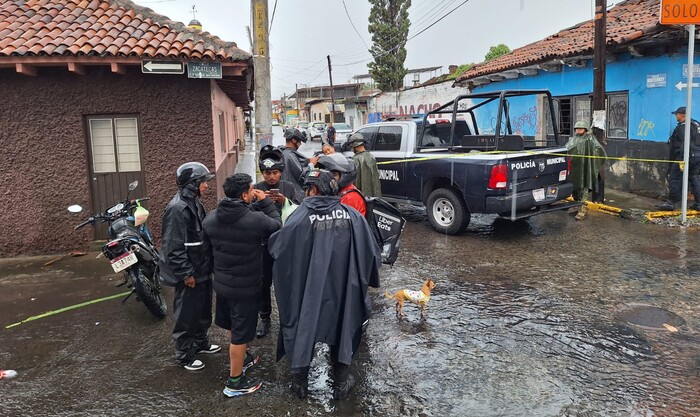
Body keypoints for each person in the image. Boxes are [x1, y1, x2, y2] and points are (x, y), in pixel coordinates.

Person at [269, 169, 381, 400]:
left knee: (303, 327)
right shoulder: (352, 216)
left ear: (314, 190)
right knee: (343, 327)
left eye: (307, 189)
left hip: (307, 291)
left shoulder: (298, 218)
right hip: (344, 289)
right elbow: (371, 254)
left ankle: (300, 382)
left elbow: (279, 251)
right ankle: (340, 382)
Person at [202, 173, 282, 397]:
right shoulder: (254, 220)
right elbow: (277, 225)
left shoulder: (210, 218)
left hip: (223, 284)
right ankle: (235, 382)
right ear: (245, 194)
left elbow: (206, 251)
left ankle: (243, 357)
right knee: (241, 333)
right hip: (246, 287)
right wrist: (265, 201)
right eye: (251, 189)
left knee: (233, 325)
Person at [160, 162, 220, 371]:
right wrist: (186, 273)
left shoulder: (194, 202)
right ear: (193, 184)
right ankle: (184, 354)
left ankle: (200, 342)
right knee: (186, 313)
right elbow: (173, 246)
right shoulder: (177, 208)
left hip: (202, 268)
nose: (206, 186)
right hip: (190, 272)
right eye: (203, 182)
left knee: (203, 309)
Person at [253, 145, 304, 338]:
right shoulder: (256, 189)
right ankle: (264, 318)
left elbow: (300, 212)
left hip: (285, 245)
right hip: (263, 244)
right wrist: (259, 202)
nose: (271, 177)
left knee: (288, 282)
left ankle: (289, 318)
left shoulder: (289, 188)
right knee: (263, 282)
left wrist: (285, 202)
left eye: (274, 173)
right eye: (267, 173)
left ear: (281, 173)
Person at [656, 106, 700, 211]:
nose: (676, 116)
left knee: (674, 178)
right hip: (697, 156)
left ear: (682, 115)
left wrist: (680, 158)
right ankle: (699, 203)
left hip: (685, 156)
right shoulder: (696, 124)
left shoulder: (684, 127)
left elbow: (683, 144)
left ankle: (671, 202)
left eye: (677, 114)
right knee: (694, 178)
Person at [566, 121, 607, 220]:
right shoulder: (573, 139)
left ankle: (582, 209)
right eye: (577, 128)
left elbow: (599, 149)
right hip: (574, 168)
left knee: (583, 188)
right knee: (574, 188)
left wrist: (596, 158)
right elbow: (566, 148)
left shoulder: (590, 139)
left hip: (585, 168)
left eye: (581, 128)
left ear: (585, 129)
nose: (578, 130)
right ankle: (576, 205)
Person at [348, 133, 383, 197]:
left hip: (361, 197)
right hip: (373, 197)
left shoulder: (355, 159)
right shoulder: (371, 156)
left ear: (355, 146)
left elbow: (354, 181)